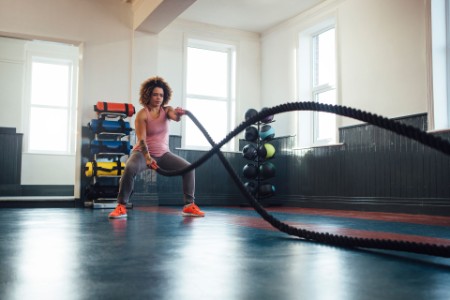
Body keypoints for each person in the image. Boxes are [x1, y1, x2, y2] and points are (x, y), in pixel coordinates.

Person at [108, 76, 205, 219]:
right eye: (155, 94)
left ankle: (189, 205)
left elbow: (174, 117)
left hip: (163, 154)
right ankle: (121, 206)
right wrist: (147, 158)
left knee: (189, 168)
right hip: (142, 153)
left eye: (161, 95)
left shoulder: (167, 110)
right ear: (148, 95)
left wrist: (179, 114)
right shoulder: (142, 114)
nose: (158, 98)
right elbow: (141, 139)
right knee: (129, 169)